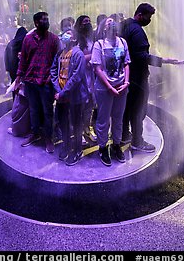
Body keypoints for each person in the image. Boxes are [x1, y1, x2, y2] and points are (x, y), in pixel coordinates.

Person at [120, 3, 184, 152]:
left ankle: (124, 135)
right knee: (139, 110)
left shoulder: (125, 25)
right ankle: (137, 141)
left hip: (126, 77)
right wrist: (166, 60)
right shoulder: (137, 31)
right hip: (138, 77)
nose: (150, 20)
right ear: (140, 15)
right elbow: (142, 56)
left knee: (127, 108)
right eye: (149, 17)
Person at [14, 11, 60, 153]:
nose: (46, 22)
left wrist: (52, 79)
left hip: (46, 82)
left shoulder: (53, 39)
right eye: (43, 19)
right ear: (36, 23)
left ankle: (48, 138)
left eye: (47, 19)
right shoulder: (28, 39)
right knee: (33, 109)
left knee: (47, 111)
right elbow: (23, 61)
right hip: (30, 80)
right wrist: (18, 79)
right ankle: (34, 133)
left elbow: (57, 61)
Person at [91, 16, 131, 166]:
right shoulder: (99, 44)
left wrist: (126, 82)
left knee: (118, 118)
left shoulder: (123, 42)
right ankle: (102, 147)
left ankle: (116, 144)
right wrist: (109, 86)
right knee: (103, 119)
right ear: (104, 27)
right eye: (108, 22)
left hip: (121, 86)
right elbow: (97, 68)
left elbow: (126, 63)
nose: (112, 23)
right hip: (104, 88)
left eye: (113, 21)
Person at [50, 28, 89, 165]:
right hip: (62, 96)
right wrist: (57, 88)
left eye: (69, 33)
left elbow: (76, 77)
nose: (64, 35)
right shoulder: (60, 53)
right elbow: (54, 70)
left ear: (74, 38)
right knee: (63, 123)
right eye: (64, 32)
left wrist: (62, 92)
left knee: (76, 123)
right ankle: (66, 146)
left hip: (75, 97)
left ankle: (77, 150)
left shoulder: (78, 54)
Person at [74, 15, 97, 143]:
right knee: (80, 105)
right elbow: (77, 57)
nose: (88, 23)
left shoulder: (92, 38)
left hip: (92, 76)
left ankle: (87, 128)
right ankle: (79, 132)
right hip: (81, 76)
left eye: (89, 21)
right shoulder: (77, 39)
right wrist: (92, 57)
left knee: (90, 105)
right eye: (85, 22)